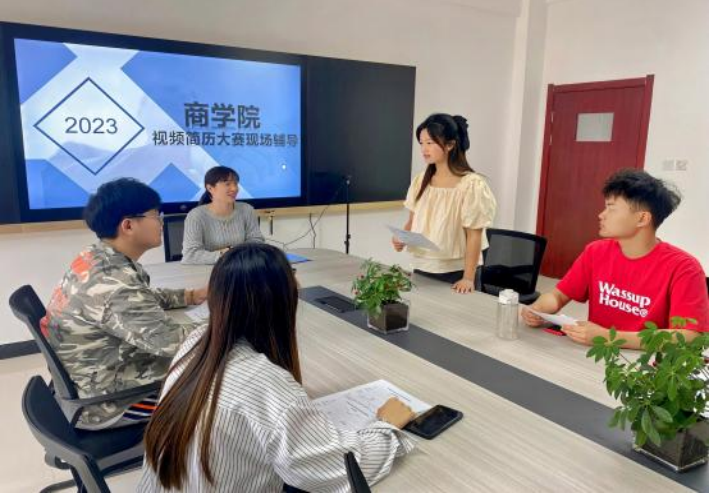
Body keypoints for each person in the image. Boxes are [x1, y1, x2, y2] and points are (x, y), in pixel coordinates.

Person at [139, 243, 416, 493]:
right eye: (292, 276)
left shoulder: (196, 341)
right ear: (279, 300)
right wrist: (386, 426)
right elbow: (343, 470)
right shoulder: (264, 383)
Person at [42, 178, 208, 430]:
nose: (162, 222)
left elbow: (140, 298)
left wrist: (191, 296)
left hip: (91, 378)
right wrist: (233, 316)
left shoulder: (97, 256)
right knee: (221, 383)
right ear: (128, 225)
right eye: (156, 215)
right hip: (108, 402)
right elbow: (174, 342)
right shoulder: (114, 283)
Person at [522, 169, 709, 348]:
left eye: (611, 208)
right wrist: (539, 308)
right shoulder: (596, 251)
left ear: (642, 219)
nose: (601, 215)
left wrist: (611, 338)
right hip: (594, 353)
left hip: (643, 362)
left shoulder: (684, 268)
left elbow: (691, 336)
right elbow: (558, 296)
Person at [394, 113, 497, 294]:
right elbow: (412, 221)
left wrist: (468, 278)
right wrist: (401, 238)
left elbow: (474, 236)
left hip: (457, 272)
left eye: (430, 143)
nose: (424, 149)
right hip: (424, 266)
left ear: (450, 145)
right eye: (421, 143)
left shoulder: (472, 185)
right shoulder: (420, 181)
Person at [181, 166, 264, 265]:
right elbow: (190, 255)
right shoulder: (196, 216)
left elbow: (257, 242)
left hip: (241, 268)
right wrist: (225, 254)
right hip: (208, 270)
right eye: (227, 184)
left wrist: (231, 251)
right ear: (210, 188)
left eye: (235, 184)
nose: (234, 188)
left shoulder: (247, 210)